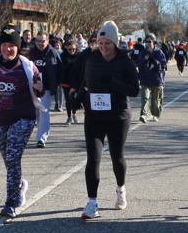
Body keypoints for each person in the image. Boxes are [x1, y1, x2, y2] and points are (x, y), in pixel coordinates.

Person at [70, 20, 139, 220]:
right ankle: (92, 203)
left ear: (115, 43)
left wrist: (114, 83)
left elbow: (134, 90)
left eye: (107, 43)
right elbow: (85, 81)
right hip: (95, 115)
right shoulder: (91, 59)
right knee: (93, 158)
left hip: (118, 116)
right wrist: (80, 95)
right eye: (100, 43)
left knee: (117, 156)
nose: (103, 47)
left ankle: (120, 190)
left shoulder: (125, 62)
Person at [0, 25, 45, 218]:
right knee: (9, 159)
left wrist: (39, 87)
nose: (8, 49)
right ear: (0, 47)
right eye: (4, 45)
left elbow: (39, 90)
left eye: (12, 45)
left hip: (23, 117)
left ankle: (10, 203)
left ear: (17, 47)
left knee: (13, 157)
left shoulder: (28, 66)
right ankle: (19, 186)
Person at [26, 31, 59, 147]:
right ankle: (33, 135)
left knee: (44, 112)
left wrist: (55, 83)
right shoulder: (31, 53)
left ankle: (42, 138)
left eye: (42, 41)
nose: (40, 43)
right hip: (32, 87)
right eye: (38, 41)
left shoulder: (53, 53)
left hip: (46, 88)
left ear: (47, 41)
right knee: (34, 113)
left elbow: (60, 68)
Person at [137, 34, 167, 120]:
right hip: (145, 79)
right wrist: (145, 59)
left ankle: (156, 115)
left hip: (157, 79)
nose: (148, 43)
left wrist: (154, 61)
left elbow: (162, 66)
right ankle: (143, 114)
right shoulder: (143, 52)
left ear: (153, 42)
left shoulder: (159, 52)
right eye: (146, 41)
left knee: (156, 99)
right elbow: (139, 64)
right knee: (145, 98)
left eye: (149, 41)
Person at [59, 38, 81, 124]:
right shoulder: (63, 56)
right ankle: (69, 116)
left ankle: (74, 114)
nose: (72, 51)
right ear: (66, 48)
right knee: (68, 99)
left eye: (74, 49)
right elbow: (60, 68)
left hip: (75, 80)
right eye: (70, 49)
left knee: (73, 98)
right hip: (66, 80)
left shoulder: (79, 56)